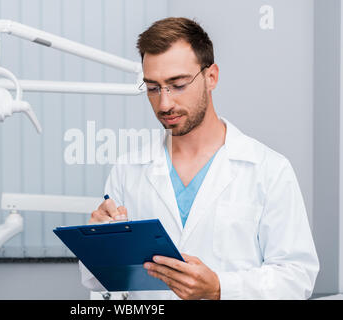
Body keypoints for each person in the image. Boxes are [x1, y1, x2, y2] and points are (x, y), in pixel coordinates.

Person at [79, 17, 319, 300]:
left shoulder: (268, 170)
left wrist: (220, 287)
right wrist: (100, 243)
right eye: (153, 88)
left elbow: (296, 277)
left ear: (211, 77)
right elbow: (106, 286)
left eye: (177, 84)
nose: (164, 103)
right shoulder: (128, 170)